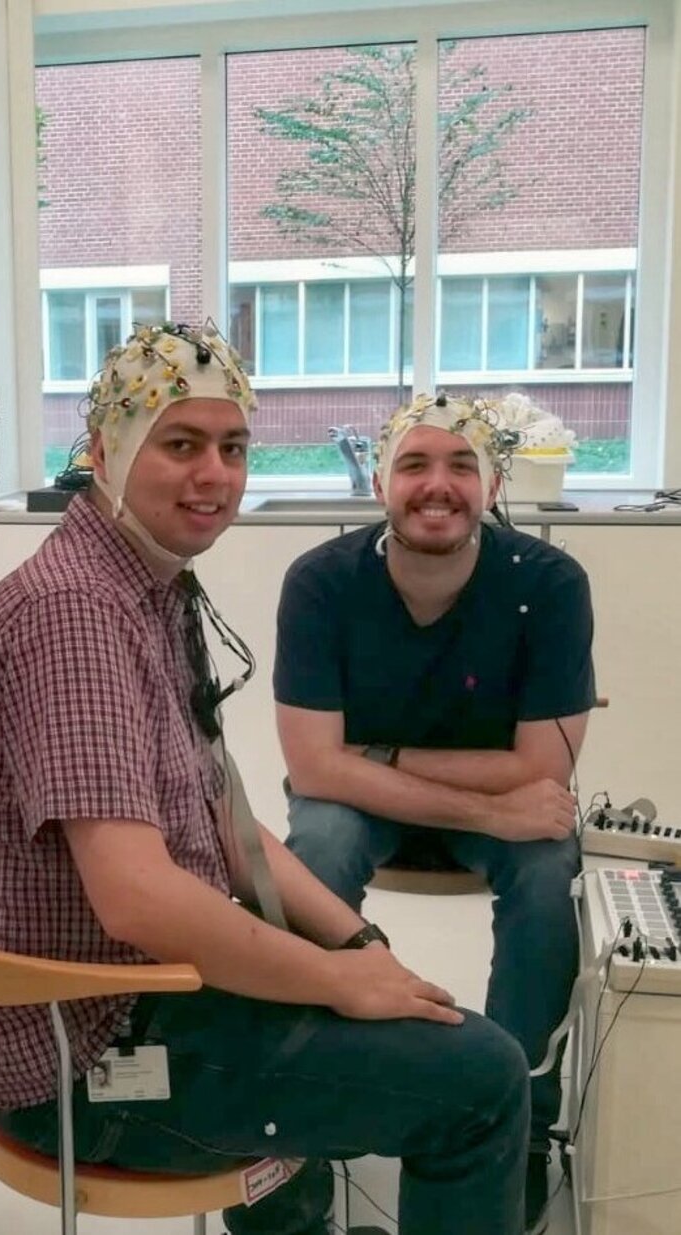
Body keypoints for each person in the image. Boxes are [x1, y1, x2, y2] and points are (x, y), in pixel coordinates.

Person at [0, 326, 529, 1235]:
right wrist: (333, 980)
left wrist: (355, 941)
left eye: (233, 447)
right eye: (181, 444)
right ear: (102, 453)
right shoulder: (78, 612)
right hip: (80, 1057)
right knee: (482, 1078)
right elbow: (139, 900)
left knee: (367, 993)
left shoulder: (150, 585)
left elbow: (225, 823)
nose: (215, 475)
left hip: (145, 995)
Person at [274, 392, 596, 1235]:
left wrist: (370, 756)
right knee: (317, 842)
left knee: (547, 869)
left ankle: (518, 1115)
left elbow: (543, 769)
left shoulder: (551, 583)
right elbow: (312, 766)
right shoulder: (320, 582)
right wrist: (479, 801)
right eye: (414, 463)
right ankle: (302, 1103)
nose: (437, 484)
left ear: (493, 484)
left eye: (461, 464)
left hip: (453, 801)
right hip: (382, 807)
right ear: (379, 479)